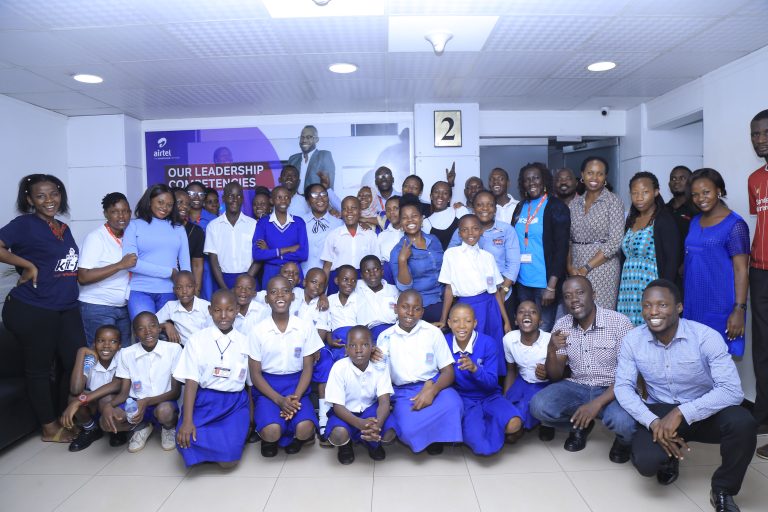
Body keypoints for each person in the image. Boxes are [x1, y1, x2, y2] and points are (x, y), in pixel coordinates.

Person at [615, 280, 757, 512]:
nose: (653, 312)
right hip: (660, 410)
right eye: (647, 305)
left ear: (679, 307)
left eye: (662, 305)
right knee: (647, 463)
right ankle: (668, 458)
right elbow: (623, 387)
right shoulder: (633, 340)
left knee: (743, 423)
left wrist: (682, 412)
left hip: (705, 408)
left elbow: (732, 390)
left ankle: (723, 490)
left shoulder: (705, 337)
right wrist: (652, 421)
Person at [0, 174, 86, 443]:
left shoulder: (62, 228)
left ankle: (66, 416)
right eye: (41, 195)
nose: (49, 200)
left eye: (54, 194)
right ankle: (49, 428)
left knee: (75, 364)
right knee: (39, 369)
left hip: (66, 307)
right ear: (29, 199)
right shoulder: (24, 224)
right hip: (34, 307)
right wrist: (27, 265)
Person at [529, 276, 635, 462]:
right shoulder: (562, 324)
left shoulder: (619, 323)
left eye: (580, 293)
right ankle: (580, 426)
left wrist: (597, 403)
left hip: (613, 389)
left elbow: (628, 376)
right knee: (539, 406)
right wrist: (551, 349)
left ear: (593, 294)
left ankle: (623, 442)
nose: (574, 299)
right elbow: (555, 376)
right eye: (567, 296)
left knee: (624, 422)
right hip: (577, 386)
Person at [376, 290, 463, 454]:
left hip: (433, 384)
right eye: (405, 307)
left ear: (422, 312)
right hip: (403, 392)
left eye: (416, 309)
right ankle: (432, 435)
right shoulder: (385, 337)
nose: (410, 313)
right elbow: (381, 375)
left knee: (454, 404)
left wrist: (432, 391)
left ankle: (436, 438)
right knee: (407, 428)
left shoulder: (433, 332)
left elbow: (448, 372)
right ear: (396, 308)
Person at [247, 276, 323, 457]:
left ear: (293, 296)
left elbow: (308, 368)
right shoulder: (257, 331)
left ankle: (297, 437)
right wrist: (280, 400)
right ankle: (270, 438)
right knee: (271, 430)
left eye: (285, 291)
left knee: (305, 428)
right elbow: (255, 375)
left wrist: (294, 399)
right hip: (268, 387)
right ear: (267, 299)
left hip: (297, 386)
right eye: (273, 292)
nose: (280, 295)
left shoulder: (304, 327)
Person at [174, 289, 251, 468]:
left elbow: (251, 384)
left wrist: (250, 421)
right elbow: (191, 382)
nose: (223, 316)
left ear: (237, 310)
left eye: (229, 310)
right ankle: (218, 447)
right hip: (204, 401)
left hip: (234, 404)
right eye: (217, 310)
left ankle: (224, 445)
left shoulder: (245, 342)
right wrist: (187, 421)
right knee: (184, 440)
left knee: (229, 462)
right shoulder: (197, 340)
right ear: (210, 311)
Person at [684, 168, 749, 357]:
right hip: (694, 303)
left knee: (719, 360)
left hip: (721, 305)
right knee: (695, 360)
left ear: (719, 190)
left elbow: (741, 270)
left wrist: (739, 309)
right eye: (695, 194)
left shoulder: (735, 225)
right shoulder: (695, 221)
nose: (700, 198)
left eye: (706, 192)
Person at [438, 215, 512, 375]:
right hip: (466, 308)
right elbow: (449, 289)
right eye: (465, 230)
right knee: (471, 346)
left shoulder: (487, 257)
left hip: (489, 307)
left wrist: (506, 320)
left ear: (481, 231)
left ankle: (493, 381)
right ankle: (470, 381)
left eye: (475, 228)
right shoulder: (451, 255)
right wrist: (444, 319)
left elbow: (495, 292)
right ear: (459, 233)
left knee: (493, 344)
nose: (470, 233)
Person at [446, 303, 522, 456]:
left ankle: (486, 422)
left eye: (467, 321)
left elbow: (492, 383)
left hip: (490, 395)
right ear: (449, 323)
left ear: (475, 323)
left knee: (514, 424)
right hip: (465, 399)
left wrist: (475, 369)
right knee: (482, 447)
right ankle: (481, 424)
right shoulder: (444, 342)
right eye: (456, 321)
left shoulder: (488, 343)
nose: (462, 326)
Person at [100, 312, 182, 453]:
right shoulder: (126, 353)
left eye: (152, 326)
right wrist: (109, 406)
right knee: (105, 422)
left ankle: (168, 428)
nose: (148, 331)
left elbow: (175, 392)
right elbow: (124, 393)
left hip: (163, 402)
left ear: (159, 328)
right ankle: (141, 427)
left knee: (165, 412)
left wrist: (146, 401)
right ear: (135, 333)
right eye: (141, 328)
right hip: (135, 404)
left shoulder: (174, 349)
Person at [511, 164, 570, 331]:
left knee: (543, 330)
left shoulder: (556, 207)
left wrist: (551, 286)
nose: (532, 182)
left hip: (544, 284)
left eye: (536, 178)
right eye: (527, 179)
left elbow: (561, 249)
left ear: (544, 180)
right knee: (525, 329)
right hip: (522, 282)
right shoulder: (520, 206)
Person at [325, 325, 396, 464]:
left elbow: (384, 402)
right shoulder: (339, 368)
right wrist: (360, 424)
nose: (358, 350)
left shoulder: (380, 366)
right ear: (346, 349)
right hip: (345, 413)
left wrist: (376, 427)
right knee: (338, 433)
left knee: (390, 432)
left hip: (371, 411)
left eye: (364, 345)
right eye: (353, 345)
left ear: (372, 347)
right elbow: (337, 407)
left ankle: (372, 442)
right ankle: (345, 446)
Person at [618, 172, 681, 326]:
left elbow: (672, 260)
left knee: (650, 327)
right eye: (635, 193)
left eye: (645, 192)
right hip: (628, 287)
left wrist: (665, 292)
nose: (639, 198)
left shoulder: (663, 220)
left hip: (651, 284)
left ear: (656, 192)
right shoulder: (632, 219)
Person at [123, 183, 190, 319]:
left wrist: (186, 289)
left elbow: (186, 267)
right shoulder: (134, 226)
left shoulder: (178, 229)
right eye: (160, 202)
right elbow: (131, 264)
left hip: (170, 292)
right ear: (149, 201)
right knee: (145, 331)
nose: (165, 208)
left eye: (169, 205)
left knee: (168, 332)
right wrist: (169, 272)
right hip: (140, 291)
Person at [449, 190, 520, 320]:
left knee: (500, 329)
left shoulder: (507, 230)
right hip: (469, 296)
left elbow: (513, 264)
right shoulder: (462, 230)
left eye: (489, 204)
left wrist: (503, 291)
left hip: (501, 293)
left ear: (495, 208)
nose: (485, 208)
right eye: (479, 204)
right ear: (473, 208)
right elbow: (451, 261)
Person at [567, 156, 625, 310]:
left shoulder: (613, 202)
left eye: (600, 174)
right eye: (590, 173)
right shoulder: (574, 204)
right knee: (577, 310)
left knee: (600, 312)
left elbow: (615, 241)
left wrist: (586, 268)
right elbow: (568, 240)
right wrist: (570, 267)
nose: (594, 178)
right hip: (575, 267)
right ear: (582, 175)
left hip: (602, 267)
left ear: (605, 177)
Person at [77, 192, 134, 348]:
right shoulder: (96, 238)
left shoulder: (130, 236)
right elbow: (83, 277)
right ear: (105, 214)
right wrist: (119, 265)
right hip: (97, 307)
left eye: (125, 211)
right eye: (115, 212)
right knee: (98, 354)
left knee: (123, 354)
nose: (121, 216)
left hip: (123, 307)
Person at [60, 325, 122, 452]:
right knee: (73, 398)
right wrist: (81, 352)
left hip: (114, 405)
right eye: (101, 341)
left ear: (119, 346)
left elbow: (117, 384)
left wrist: (81, 401)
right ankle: (91, 429)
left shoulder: (122, 357)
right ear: (94, 344)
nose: (106, 345)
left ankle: (116, 431)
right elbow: (75, 389)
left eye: (113, 341)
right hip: (93, 406)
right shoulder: (90, 360)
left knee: (106, 398)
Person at [503, 301, 553, 441]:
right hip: (522, 380)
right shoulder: (509, 339)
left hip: (544, 385)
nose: (526, 314)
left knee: (524, 407)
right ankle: (518, 424)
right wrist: (505, 397)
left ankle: (524, 426)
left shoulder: (550, 340)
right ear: (516, 321)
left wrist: (548, 372)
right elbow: (511, 370)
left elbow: (563, 373)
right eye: (521, 311)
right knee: (506, 406)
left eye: (533, 312)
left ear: (540, 321)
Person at [389, 200, 445, 323]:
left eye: (414, 216)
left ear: (421, 219)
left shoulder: (434, 240)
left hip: (445, 299)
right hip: (421, 306)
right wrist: (402, 260)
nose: (410, 220)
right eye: (405, 218)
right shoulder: (397, 251)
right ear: (401, 223)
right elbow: (404, 287)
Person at [749, 108, 768, 459]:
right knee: (763, 349)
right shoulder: (755, 178)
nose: (760, 139)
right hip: (760, 269)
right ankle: (763, 417)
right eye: (755, 134)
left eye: (765, 132)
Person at [252, 185, 308, 289]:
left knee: (297, 298)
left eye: (286, 197)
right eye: (279, 197)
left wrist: (269, 252)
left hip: (293, 272)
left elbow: (303, 255)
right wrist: (286, 250)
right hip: (271, 272)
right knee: (270, 298)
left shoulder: (299, 222)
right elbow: (257, 254)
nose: (283, 200)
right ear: (271, 200)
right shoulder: (263, 223)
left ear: (290, 200)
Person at [320, 196, 379, 295]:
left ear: (360, 211)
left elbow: (377, 263)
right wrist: (322, 293)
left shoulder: (370, 235)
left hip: (362, 279)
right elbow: (327, 266)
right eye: (345, 209)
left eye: (353, 208)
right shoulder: (333, 235)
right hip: (337, 280)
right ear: (341, 212)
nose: (349, 211)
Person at [205, 181, 257, 291]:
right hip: (222, 279)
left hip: (249, 276)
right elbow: (213, 260)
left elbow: (258, 257)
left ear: (243, 199)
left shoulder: (253, 224)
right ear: (223, 198)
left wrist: (244, 282)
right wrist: (224, 289)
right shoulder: (213, 226)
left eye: (238, 196)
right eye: (230, 196)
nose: (235, 199)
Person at [155, 271, 212, 346]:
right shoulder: (171, 306)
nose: (184, 291)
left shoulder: (206, 306)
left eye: (189, 286)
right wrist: (166, 325)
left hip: (205, 346)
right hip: (184, 349)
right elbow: (151, 323)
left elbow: (214, 330)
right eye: (179, 288)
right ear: (174, 290)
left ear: (195, 287)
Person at [301, 183, 344, 278]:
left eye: (323, 194)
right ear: (308, 201)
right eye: (314, 195)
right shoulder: (300, 222)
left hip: (330, 277)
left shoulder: (339, 224)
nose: (320, 198)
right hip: (304, 276)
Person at [356, 255, 398, 340]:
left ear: (382, 271)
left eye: (376, 269)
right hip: (366, 334)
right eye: (367, 271)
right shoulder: (356, 287)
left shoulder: (394, 290)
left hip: (393, 331)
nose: (372, 274)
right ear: (362, 275)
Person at [172, 188, 205, 297]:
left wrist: (196, 293)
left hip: (185, 288)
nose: (185, 207)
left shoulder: (196, 231)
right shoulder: (162, 228)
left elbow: (197, 265)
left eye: (188, 204)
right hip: (164, 284)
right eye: (180, 202)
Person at [422, 181, 469, 250]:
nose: (440, 196)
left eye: (445, 193)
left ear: (449, 198)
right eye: (436, 192)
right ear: (431, 196)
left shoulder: (460, 210)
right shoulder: (426, 223)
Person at [288, 125, 335, 189]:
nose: (304, 140)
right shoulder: (293, 159)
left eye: (309, 137)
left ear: (316, 139)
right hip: (295, 195)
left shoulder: (324, 156)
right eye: (302, 137)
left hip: (315, 195)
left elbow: (329, 186)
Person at [666, 165, 698, 245]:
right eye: (673, 179)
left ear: (691, 182)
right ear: (669, 184)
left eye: (682, 178)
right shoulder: (662, 209)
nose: (677, 181)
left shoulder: (697, 209)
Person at [377, 195, 402, 284]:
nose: (391, 212)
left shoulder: (410, 233)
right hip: (388, 277)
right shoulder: (382, 235)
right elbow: (378, 261)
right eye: (388, 209)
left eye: (396, 208)